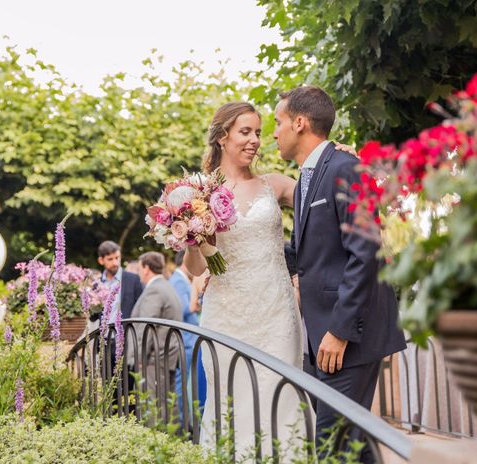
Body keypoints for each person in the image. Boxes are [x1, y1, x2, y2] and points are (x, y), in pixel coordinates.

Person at [184, 102, 356, 457]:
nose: (255, 141)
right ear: (221, 137)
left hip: (277, 314)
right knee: (230, 402)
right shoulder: (197, 194)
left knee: (282, 396)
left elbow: (329, 193)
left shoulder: (274, 185)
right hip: (226, 316)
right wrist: (190, 236)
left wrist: (341, 158)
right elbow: (194, 267)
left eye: (259, 132)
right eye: (245, 131)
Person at [275, 86, 406, 463]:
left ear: (300, 123)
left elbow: (365, 251)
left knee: (332, 446)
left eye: (278, 122)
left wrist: (340, 331)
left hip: (348, 338)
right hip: (325, 340)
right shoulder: (305, 182)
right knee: (354, 445)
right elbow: (306, 255)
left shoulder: (347, 168)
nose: (274, 132)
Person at [129, 251, 183, 422]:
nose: (138, 273)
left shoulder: (155, 290)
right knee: (167, 403)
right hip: (167, 354)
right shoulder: (167, 286)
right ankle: (173, 444)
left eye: (139, 269)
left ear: (146, 268)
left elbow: (146, 325)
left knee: (150, 404)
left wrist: (139, 356)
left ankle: (152, 444)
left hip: (154, 357)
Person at [167, 250, 198, 421]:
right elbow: (182, 309)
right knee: (182, 382)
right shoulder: (178, 281)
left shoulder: (181, 280)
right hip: (185, 339)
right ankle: (181, 420)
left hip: (189, 338)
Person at [91, 241, 143, 327]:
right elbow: (93, 317)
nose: (115, 263)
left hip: (127, 336)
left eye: (117, 258)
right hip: (103, 337)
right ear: (101, 260)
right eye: (110, 259)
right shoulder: (96, 284)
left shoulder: (133, 279)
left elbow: (141, 310)